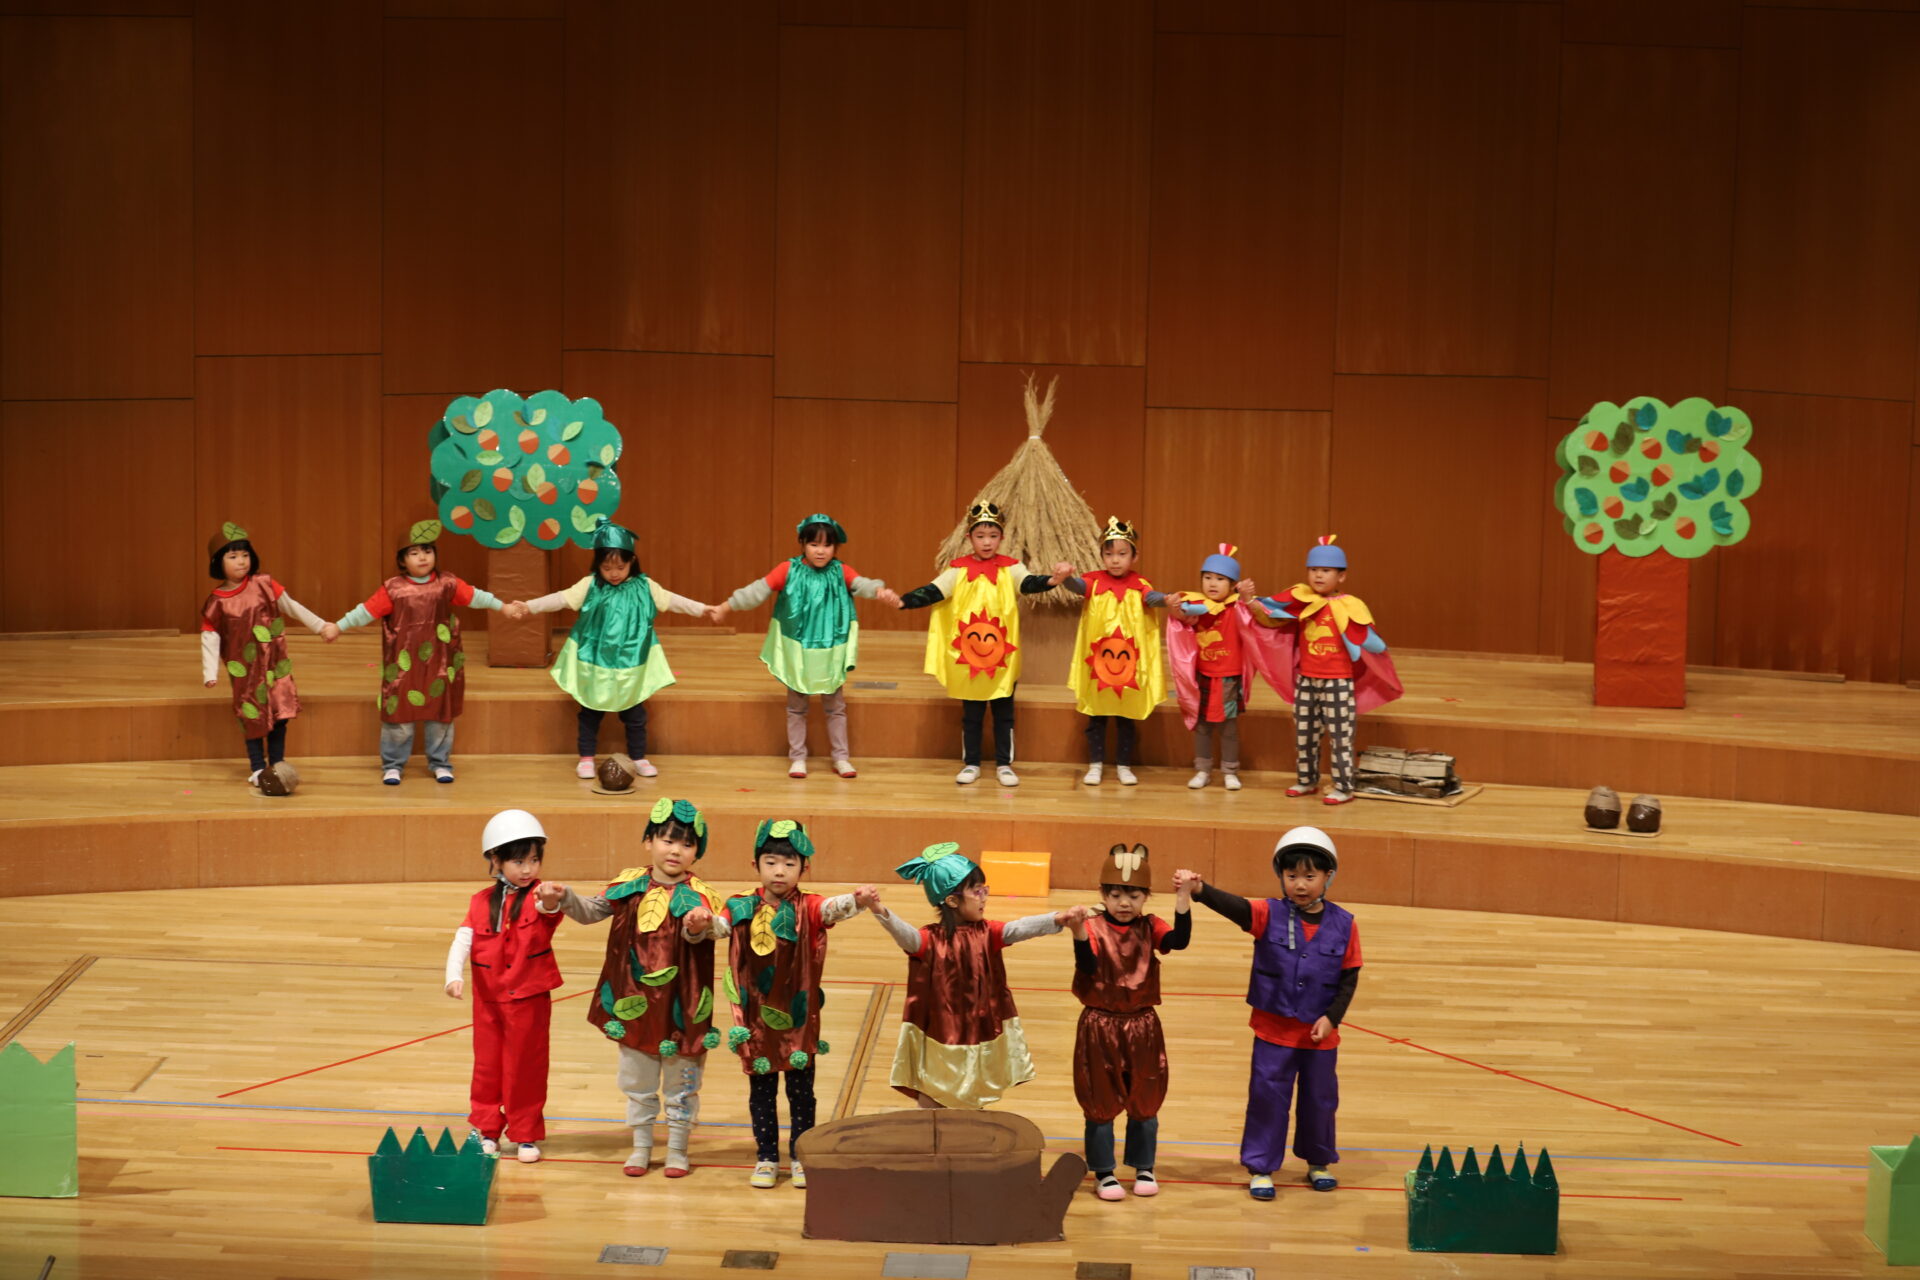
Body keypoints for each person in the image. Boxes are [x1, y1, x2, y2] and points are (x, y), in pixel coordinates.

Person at [538, 797, 727, 1177]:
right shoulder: (629, 884)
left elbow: (720, 929)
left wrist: (700, 925)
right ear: (648, 842)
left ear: (697, 853)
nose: (676, 850)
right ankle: (641, 1146)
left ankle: (677, 1148)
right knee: (637, 1080)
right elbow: (591, 911)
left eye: (687, 844)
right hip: (634, 1002)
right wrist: (563, 898)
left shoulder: (702, 896)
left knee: (682, 1082)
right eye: (668, 840)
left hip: (683, 1005)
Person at [1175, 826, 1362, 1198]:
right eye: (1292, 876)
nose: (1300, 884)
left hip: (1319, 1037)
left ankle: (1318, 1162)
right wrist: (1200, 890)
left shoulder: (1345, 924)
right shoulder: (1267, 913)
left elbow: (1349, 977)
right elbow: (1235, 907)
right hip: (1273, 1033)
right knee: (1267, 1099)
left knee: (1320, 1101)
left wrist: (1332, 1018)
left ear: (1328, 877)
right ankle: (1261, 1167)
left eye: (1310, 876)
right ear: (1281, 877)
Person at [720, 818, 879, 1188]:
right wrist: (699, 924)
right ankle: (766, 1156)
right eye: (771, 862)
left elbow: (834, 908)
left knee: (801, 1093)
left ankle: (800, 1155)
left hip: (799, 1023)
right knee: (761, 1093)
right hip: (756, 1022)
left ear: (804, 868)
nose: (780, 871)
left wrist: (856, 900)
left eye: (789, 864)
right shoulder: (740, 905)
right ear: (756, 865)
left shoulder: (810, 906)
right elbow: (718, 926)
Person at [868, 843, 1087, 1107]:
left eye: (984, 889)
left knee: (973, 1093)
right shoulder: (929, 940)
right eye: (976, 891)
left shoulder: (987, 933)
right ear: (952, 900)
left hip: (976, 1031)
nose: (984, 897)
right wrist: (879, 909)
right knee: (933, 1093)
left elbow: (1019, 928)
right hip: (939, 1033)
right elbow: (905, 935)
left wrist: (1057, 919)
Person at [515, 517, 709, 779]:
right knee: (590, 712)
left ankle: (638, 757)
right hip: (596, 663)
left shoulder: (645, 587)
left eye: (620, 567)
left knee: (635, 715)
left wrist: (702, 609)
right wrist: (530, 606)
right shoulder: (590, 585)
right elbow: (561, 598)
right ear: (598, 565)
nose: (614, 573)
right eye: (607, 568)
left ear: (632, 561)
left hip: (631, 664)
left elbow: (672, 600)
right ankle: (586, 758)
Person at [709, 514, 898, 779]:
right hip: (797, 648)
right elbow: (756, 591)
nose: (821, 551)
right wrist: (726, 606)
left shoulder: (841, 571)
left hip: (830, 648)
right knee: (796, 706)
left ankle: (841, 758)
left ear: (835, 547)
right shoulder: (788, 570)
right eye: (814, 544)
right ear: (802, 544)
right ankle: (798, 757)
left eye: (827, 545)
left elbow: (862, 584)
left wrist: (879, 591)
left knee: (835, 706)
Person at [325, 517, 509, 784]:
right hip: (404, 666)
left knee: (440, 714)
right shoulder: (393, 589)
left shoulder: (447, 583)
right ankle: (393, 765)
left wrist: (503, 607)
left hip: (440, 663)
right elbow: (365, 611)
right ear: (402, 561)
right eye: (414, 553)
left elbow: (475, 596)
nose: (422, 557)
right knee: (399, 715)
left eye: (427, 550)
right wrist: (338, 626)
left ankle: (440, 762)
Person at [896, 501, 1067, 787]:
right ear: (969, 538)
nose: (986, 542)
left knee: (1004, 714)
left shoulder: (1011, 568)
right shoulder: (957, 571)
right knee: (972, 715)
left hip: (1001, 659)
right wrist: (903, 601)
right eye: (980, 536)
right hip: (970, 658)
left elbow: (1029, 583)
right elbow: (933, 591)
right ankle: (972, 763)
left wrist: (1052, 580)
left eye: (993, 536)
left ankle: (1004, 764)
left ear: (1001, 537)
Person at [1068, 841, 1190, 1199]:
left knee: (1145, 1095)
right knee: (1099, 1097)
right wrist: (1077, 932)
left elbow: (1179, 941)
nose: (1125, 903)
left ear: (1146, 897)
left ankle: (1144, 1167)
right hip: (1100, 1024)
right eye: (1116, 895)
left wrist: (1183, 895)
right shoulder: (1092, 927)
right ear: (1102, 894)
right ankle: (1104, 1172)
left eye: (1134, 896)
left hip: (1142, 1025)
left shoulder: (1151, 926)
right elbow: (1087, 965)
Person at [446, 809, 562, 1163]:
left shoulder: (540, 895)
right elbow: (463, 939)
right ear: (496, 860)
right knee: (487, 1067)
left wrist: (552, 898)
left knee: (526, 1068)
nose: (528, 869)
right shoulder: (480, 901)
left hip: (529, 1000)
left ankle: (525, 1134)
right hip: (488, 1000)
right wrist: (453, 975)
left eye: (534, 860)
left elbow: (549, 909)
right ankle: (487, 1130)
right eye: (519, 861)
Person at [1252, 535, 1402, 804]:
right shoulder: (1302, 600)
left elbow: (1367, 640)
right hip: (1307, 679)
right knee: (1304, 733)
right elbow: (1272, 618)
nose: (1318, 575)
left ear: (1341, 576)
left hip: (1338, 681)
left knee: (1341, 736)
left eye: (1325, 570)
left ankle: (1344, 786)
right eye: (1313, 570)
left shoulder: (1351, 605)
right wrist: (1250, 601)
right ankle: (1306, 780)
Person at [198, 521, 328, 789]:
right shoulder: (217, 602)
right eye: (233, 556)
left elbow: (292, 607)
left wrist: (320, 626)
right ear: (218, 562)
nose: (241, 561)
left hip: (274, 664)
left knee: (281, 713)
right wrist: (210, 672)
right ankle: (258, 767)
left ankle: (277, 764)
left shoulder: (264, 584)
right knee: (252, 716)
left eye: (245, 555)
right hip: (246, 672)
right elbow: (210, 638)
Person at [1163, 543, 1286, 790]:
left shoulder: (1238, 608)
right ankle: (1203, 770)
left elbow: (1264, 619)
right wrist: (1173, 608)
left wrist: (1248, 598)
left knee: (1228, 728)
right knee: (1202, 727)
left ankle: (1230, 770)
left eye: (1220, 579)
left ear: (1233, 585)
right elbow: (1181, 620)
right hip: (1202, 676)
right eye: (1207, 577)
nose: (1212, 583)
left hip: (1229, 677)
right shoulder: (1196, 606)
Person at [1058, 517, 1169, 786]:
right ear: (1102, 556)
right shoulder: (1094, 582)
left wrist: (1166, 599)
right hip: (1100, 665)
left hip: (1126, 666)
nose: (1115, 560)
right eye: (1109, 554)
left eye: (1122, 554)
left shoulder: (1140, 583)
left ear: (1134, 556)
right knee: (1096, 716)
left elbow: (1151, 598)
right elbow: (1077, 586)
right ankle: (1095, 764)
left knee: (1125, 718)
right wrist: (1065, 577)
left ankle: (1123, 765)